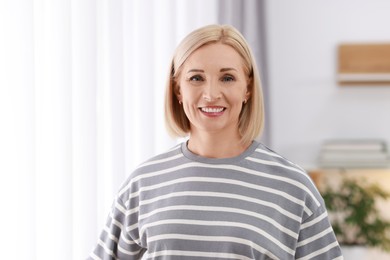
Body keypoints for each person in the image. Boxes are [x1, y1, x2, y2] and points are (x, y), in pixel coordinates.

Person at [89, 24, 343, 260]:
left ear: (248, 89)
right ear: (178, 89)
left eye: (227, 78)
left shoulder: (293, 187)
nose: (211, 94)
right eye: (196, 78)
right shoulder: (143, 183)